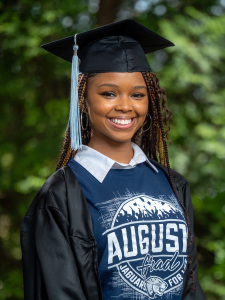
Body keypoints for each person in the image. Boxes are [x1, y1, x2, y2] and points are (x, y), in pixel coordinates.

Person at [20, 19, 206, 300]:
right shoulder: (62, 194)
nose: (125, 105)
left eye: (138, 95)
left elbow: (190, 286)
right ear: (83, 100)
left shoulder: (173, 184)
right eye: (108, 93)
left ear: (149, 101)